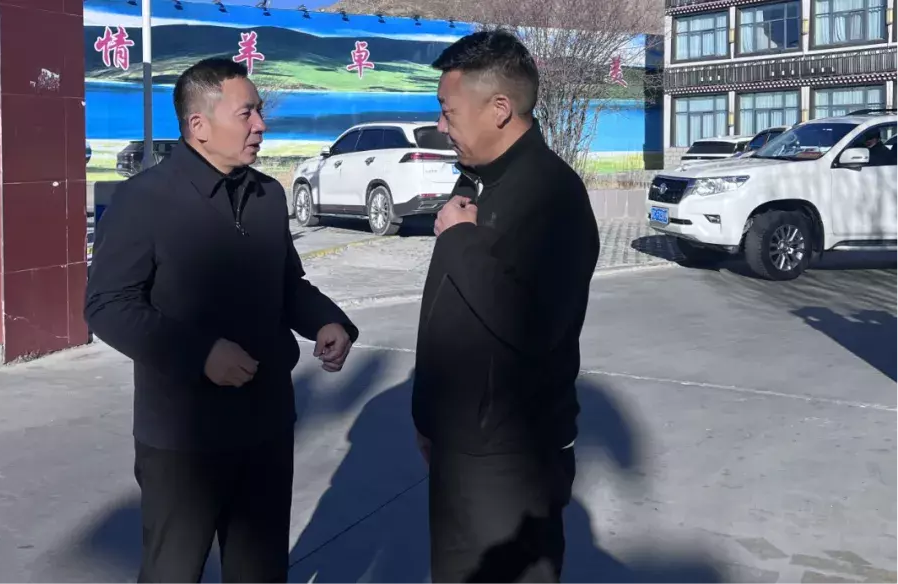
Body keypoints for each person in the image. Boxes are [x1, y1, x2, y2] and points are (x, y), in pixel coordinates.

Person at [84, 57, 359, 584]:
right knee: (173, 571)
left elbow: (287, 285)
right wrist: (200, 353)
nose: (261, 125)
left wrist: (329, 321)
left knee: (261, 571)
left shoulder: (267, 195)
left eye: (259, 112)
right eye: (247, 113)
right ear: (199, 125)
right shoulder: (145, 199)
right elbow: (107, 305)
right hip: (183, 436)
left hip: (266, 423)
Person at [411, 30, 600, 583]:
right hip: (461, 445)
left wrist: (460, 241)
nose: (441, 125)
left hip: (513, 458)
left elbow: (534, 324)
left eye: (448, 112)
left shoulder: (552, 196)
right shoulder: (477, 183)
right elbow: (448, 309)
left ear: (499, 109)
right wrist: (429, 416)